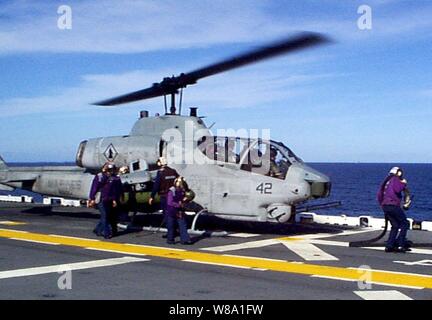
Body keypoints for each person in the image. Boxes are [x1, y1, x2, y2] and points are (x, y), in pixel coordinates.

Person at [377, 166, 411, 253]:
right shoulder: (395, 179)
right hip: (393, 205)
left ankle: (389, 245)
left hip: (385, 206)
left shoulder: (386, 181)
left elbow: (379, 194)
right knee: (405, 223)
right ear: (397, 172)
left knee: (395, 225)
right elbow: (397, 189)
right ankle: (400, 245)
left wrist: (382, 204)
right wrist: (404, 183)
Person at [88, 162, 123, 239]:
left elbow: (116, 190)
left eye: (112, 169)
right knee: (105, 216)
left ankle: (98, 230)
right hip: (102, 199)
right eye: (110, 169)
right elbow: (95, 187)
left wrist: (115, 199)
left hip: (110, 199)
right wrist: (92, 198)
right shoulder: (100, 176)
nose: (111, 171)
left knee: (109, 216)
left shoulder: (115, 178)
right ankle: (107, 233)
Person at [149, 157, 179, 226]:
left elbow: (156, 185)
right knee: (173, 212)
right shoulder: (173, 171)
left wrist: (152, 196)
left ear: (160, 163)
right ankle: (174, 228)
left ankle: (170, 231)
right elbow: (179, 181)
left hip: (164, 196)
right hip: (173, 195)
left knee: (166, 213)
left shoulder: (160, 173)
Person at [165, 177, 193, 245]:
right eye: (178, 182)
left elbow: (188, 196)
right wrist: (178, 205)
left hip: (179, 211)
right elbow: (169, 202)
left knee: (182, 225)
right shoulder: (171, 191)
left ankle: (185, 240)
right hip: (171, 211)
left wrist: (185, 200)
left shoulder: (183, 191)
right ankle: (170, 239)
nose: (180, 183)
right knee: (171, 226)